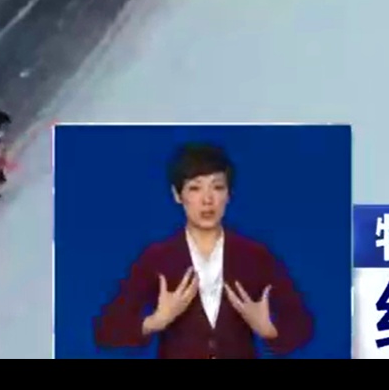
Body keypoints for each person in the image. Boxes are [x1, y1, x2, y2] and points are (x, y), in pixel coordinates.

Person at [91, 143, 314, 357]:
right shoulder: (157, 258)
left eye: (217, 187)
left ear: (229, 194)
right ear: (177, 195)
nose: (208, 200)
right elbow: (105, 330)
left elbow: (302, 324)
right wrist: (156, 321)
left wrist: (269, 330)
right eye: (195, 188)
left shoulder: (255, 256)